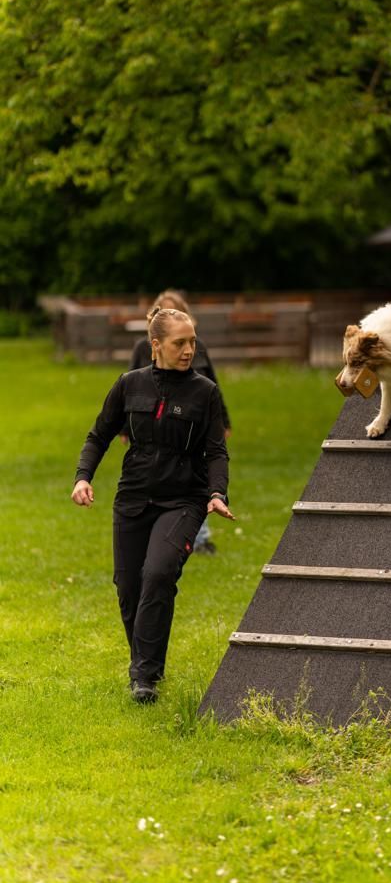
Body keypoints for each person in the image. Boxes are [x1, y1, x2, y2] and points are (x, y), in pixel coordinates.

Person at [72, 305, 235, 704]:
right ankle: (149, 663)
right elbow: (99, 434)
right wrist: (83, 476)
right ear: (156, 344)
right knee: (128, 587)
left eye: (193, 342)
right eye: (180, 343)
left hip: (184, 501)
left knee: (158, 573)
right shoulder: (130, 385)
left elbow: (216, 451)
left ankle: (142, 675)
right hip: (133, 497)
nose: (189, 350)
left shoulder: (205, 392)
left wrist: (216, 493)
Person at [127, 289, 231, 555]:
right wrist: (125, 427)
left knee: (197, 474)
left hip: (193, 423)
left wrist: (224, 421)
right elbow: (133, 390)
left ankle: (200, 538)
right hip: (155, 428)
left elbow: (212, 386)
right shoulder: (143, 351)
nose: (187, 351)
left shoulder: (198, 353)